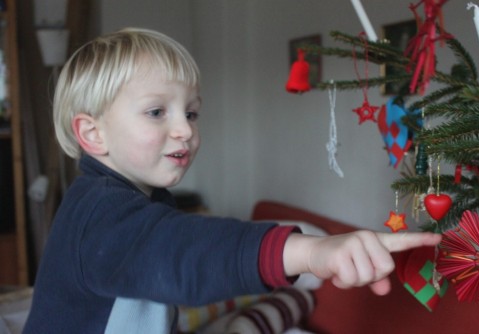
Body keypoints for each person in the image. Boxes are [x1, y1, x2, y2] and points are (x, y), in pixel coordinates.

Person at [23, 28, 441, 334]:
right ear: (92, 133)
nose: (185, 130)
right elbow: (187, 254)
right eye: (156, 112)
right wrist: (311, 251)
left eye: (190, 112)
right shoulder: (100, 212)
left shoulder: (135, 203)